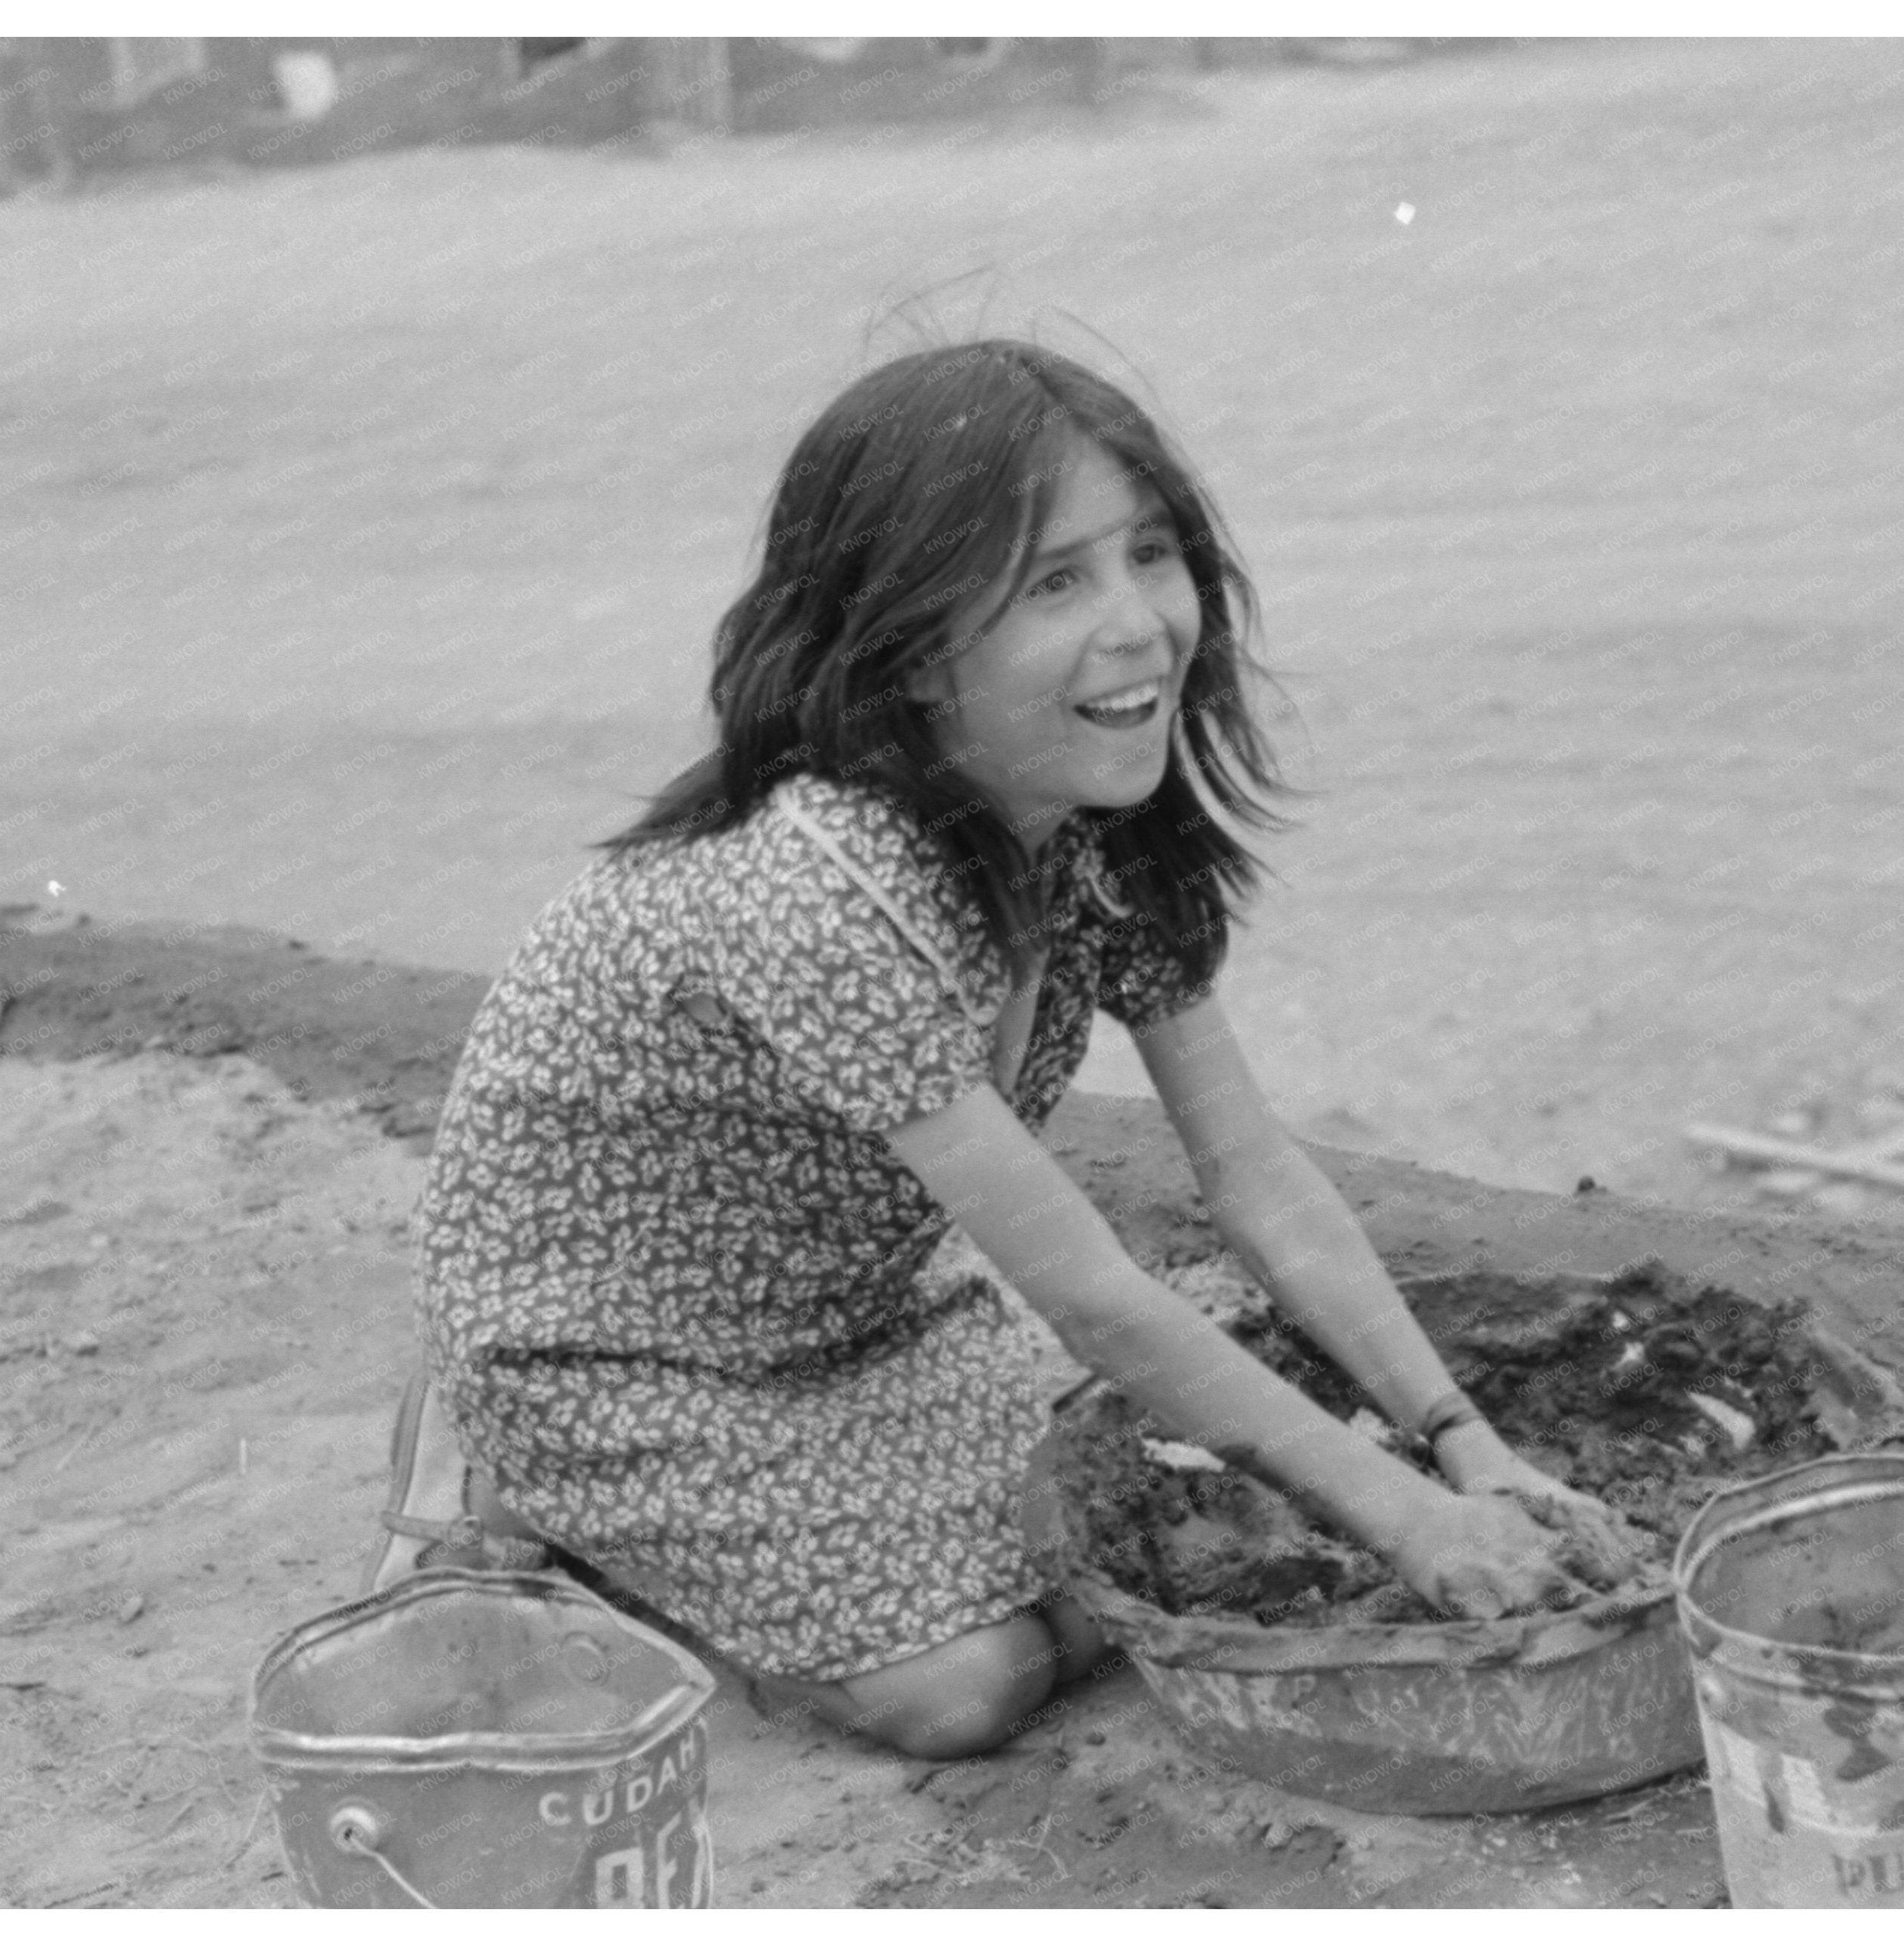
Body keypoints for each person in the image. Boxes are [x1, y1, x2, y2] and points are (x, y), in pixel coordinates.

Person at [372, 339, 1643, 1760]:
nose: (1138, 625)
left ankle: (746, 1532)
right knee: (968, 1688)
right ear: (914, 648)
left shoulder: (1090, 818)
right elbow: (1094, 1299)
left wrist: (1465, 1445)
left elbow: (1256, 1178)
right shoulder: (819, 889)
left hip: (866, 1310)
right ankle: (511, 1482)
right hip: (608, 1349)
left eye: (1149, 554)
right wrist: (1413, 1524)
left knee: (1167, 1541)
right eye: (1054, 583)